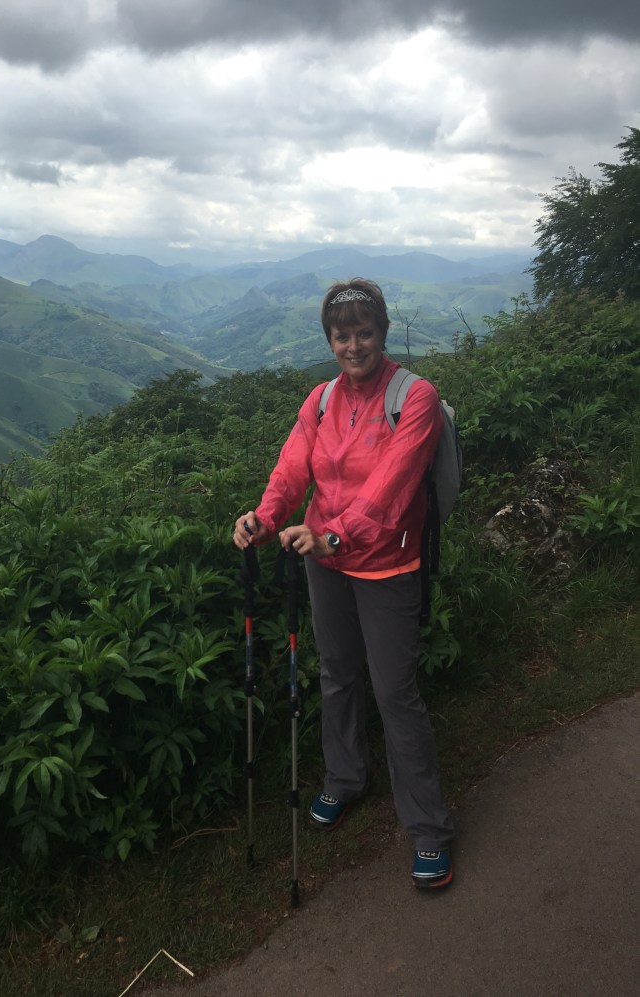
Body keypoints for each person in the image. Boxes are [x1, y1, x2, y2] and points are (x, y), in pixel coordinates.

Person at [233, 277, 454, 889]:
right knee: (336, 673)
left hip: (386, 565)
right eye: (341, 336)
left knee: (394, 692)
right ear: (329, 340)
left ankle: (429, 828)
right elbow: (292, 467)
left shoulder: (416, 398)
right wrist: (265, 518)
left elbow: (392, 487)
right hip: (324, 560)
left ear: (382, 332)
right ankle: (346, 778)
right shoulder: (322, 400)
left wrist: (336, 536)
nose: (353, 346)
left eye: (364, 332)